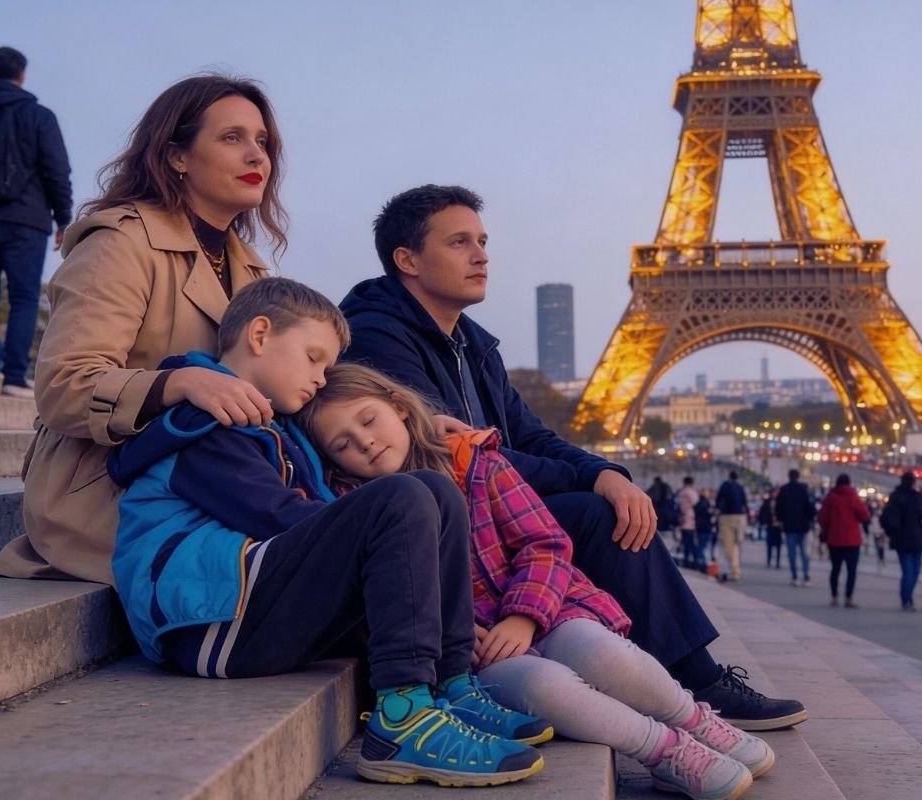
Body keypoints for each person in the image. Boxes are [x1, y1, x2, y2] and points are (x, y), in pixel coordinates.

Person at [339, 184, 805, 729]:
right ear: (408, 260)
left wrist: (604, 471)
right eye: (460, 242)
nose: (481, 255)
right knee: (600, 516)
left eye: (483, 241)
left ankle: (675, 676)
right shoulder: (378, 338)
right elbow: (460, 457)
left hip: (482, 517)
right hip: (443, 527)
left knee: (610, 503)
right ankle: (695, 679)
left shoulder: (471, 345)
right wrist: (593, 484)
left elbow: (531, 437)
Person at [107, 279, 546, 786]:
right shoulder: (205, 425)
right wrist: (379, 539)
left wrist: (420, 432)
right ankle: (402, 718)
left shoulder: (271, 425)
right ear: (259, 335)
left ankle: (451, 684)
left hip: (248, 600)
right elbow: (280, 518)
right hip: (207, 620)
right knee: (399, 498)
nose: (320, 378)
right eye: (313, 358)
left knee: (433, 488)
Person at [299, 363, 772, 800]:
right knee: (546, 688)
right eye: (342, 444)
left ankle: (693, 719)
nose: (364, 442)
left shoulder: (478, 462)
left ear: (399, 406)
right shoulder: (358, 512)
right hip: (479, 654)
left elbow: (545, 543)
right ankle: (665, 751)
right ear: (333, 461)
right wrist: (452, 634)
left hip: (547, 609)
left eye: (368, 421)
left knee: (604, 653)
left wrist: (524, 617)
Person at [0, 75, 289, 584]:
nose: (256, 156)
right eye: (232, 137)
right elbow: (64, 385)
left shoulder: (253, 271)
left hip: (217, 477)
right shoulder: (119, 242)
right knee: (333, 556)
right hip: (104, 489)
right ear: (177, 156)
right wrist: (181, 383)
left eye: (262, 141)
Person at [0, 47, 71, 397]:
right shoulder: (39, 116)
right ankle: (13, 377)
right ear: (21, 75)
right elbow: (57, 170)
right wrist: (63, 218)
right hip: (26, 221)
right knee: (25, 299)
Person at [881, 472, 922, 611]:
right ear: (913, 482)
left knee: (907, 571)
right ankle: (907, 597)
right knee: (915, 570)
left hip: (900, 537)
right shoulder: (917, 497)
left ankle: (906, 599)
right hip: (916, 537)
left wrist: (889, 532)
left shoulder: (895, 496)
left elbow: (886, 517)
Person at [817, 474, 869, 608]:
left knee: (835, 569)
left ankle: (834, 597)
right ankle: (848, 598)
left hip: (834, 539)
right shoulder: (853, 496)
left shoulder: (831, 497)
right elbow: (864, 515)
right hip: (852, 540)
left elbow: (822, 517)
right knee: (851, 571)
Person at [775, 468, 815, 586]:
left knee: (791, 553)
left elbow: (778, 508)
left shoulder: (784, 490)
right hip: (803, 526)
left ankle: (795, 576)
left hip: (789, 526)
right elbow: (809, 507)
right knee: (804, 553)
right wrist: (811, 519)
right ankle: (806, 576)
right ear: (798, 477)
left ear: (789, 476)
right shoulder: (803, 489)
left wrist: (781, 520)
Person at [715, 471, 749, 581]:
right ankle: (735, 569)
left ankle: (734, 570)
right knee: (736, 544)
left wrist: (717, 511)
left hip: (727, 517)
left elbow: (718, 500)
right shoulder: (741, 487)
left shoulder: (724, 486)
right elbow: (745, 503)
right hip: (740, 517)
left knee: (728, 546)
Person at [677, 475, 701, 569]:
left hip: (683, 520)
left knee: (685, 543)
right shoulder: (691, 492)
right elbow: (696, 503)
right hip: (691, 520)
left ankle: (686, 561)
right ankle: (695, 563)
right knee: (693, 543)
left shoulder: (681, 492)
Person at [647, 475, 677, 545]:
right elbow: (672, 496)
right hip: (666, 509)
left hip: (657, 509)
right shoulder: (666, 486)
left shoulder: (654, 487)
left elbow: (648, 494)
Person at [759, 489, 783, 568]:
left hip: (778, 526)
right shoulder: (766, 502)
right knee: (769, 544)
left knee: (778, 545)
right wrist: (764, 522)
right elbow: (762, 513)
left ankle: (777, 562)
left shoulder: (781, 502)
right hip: (770, 525)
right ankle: (768, 561)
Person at [695, 488, 716, 567]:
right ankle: (704, 563)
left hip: (701, 527)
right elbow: (709, 514)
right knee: (705, 546)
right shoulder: (706, 504)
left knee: (701, 546)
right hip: (706, 527)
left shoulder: (698, 503)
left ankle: (701, 562)